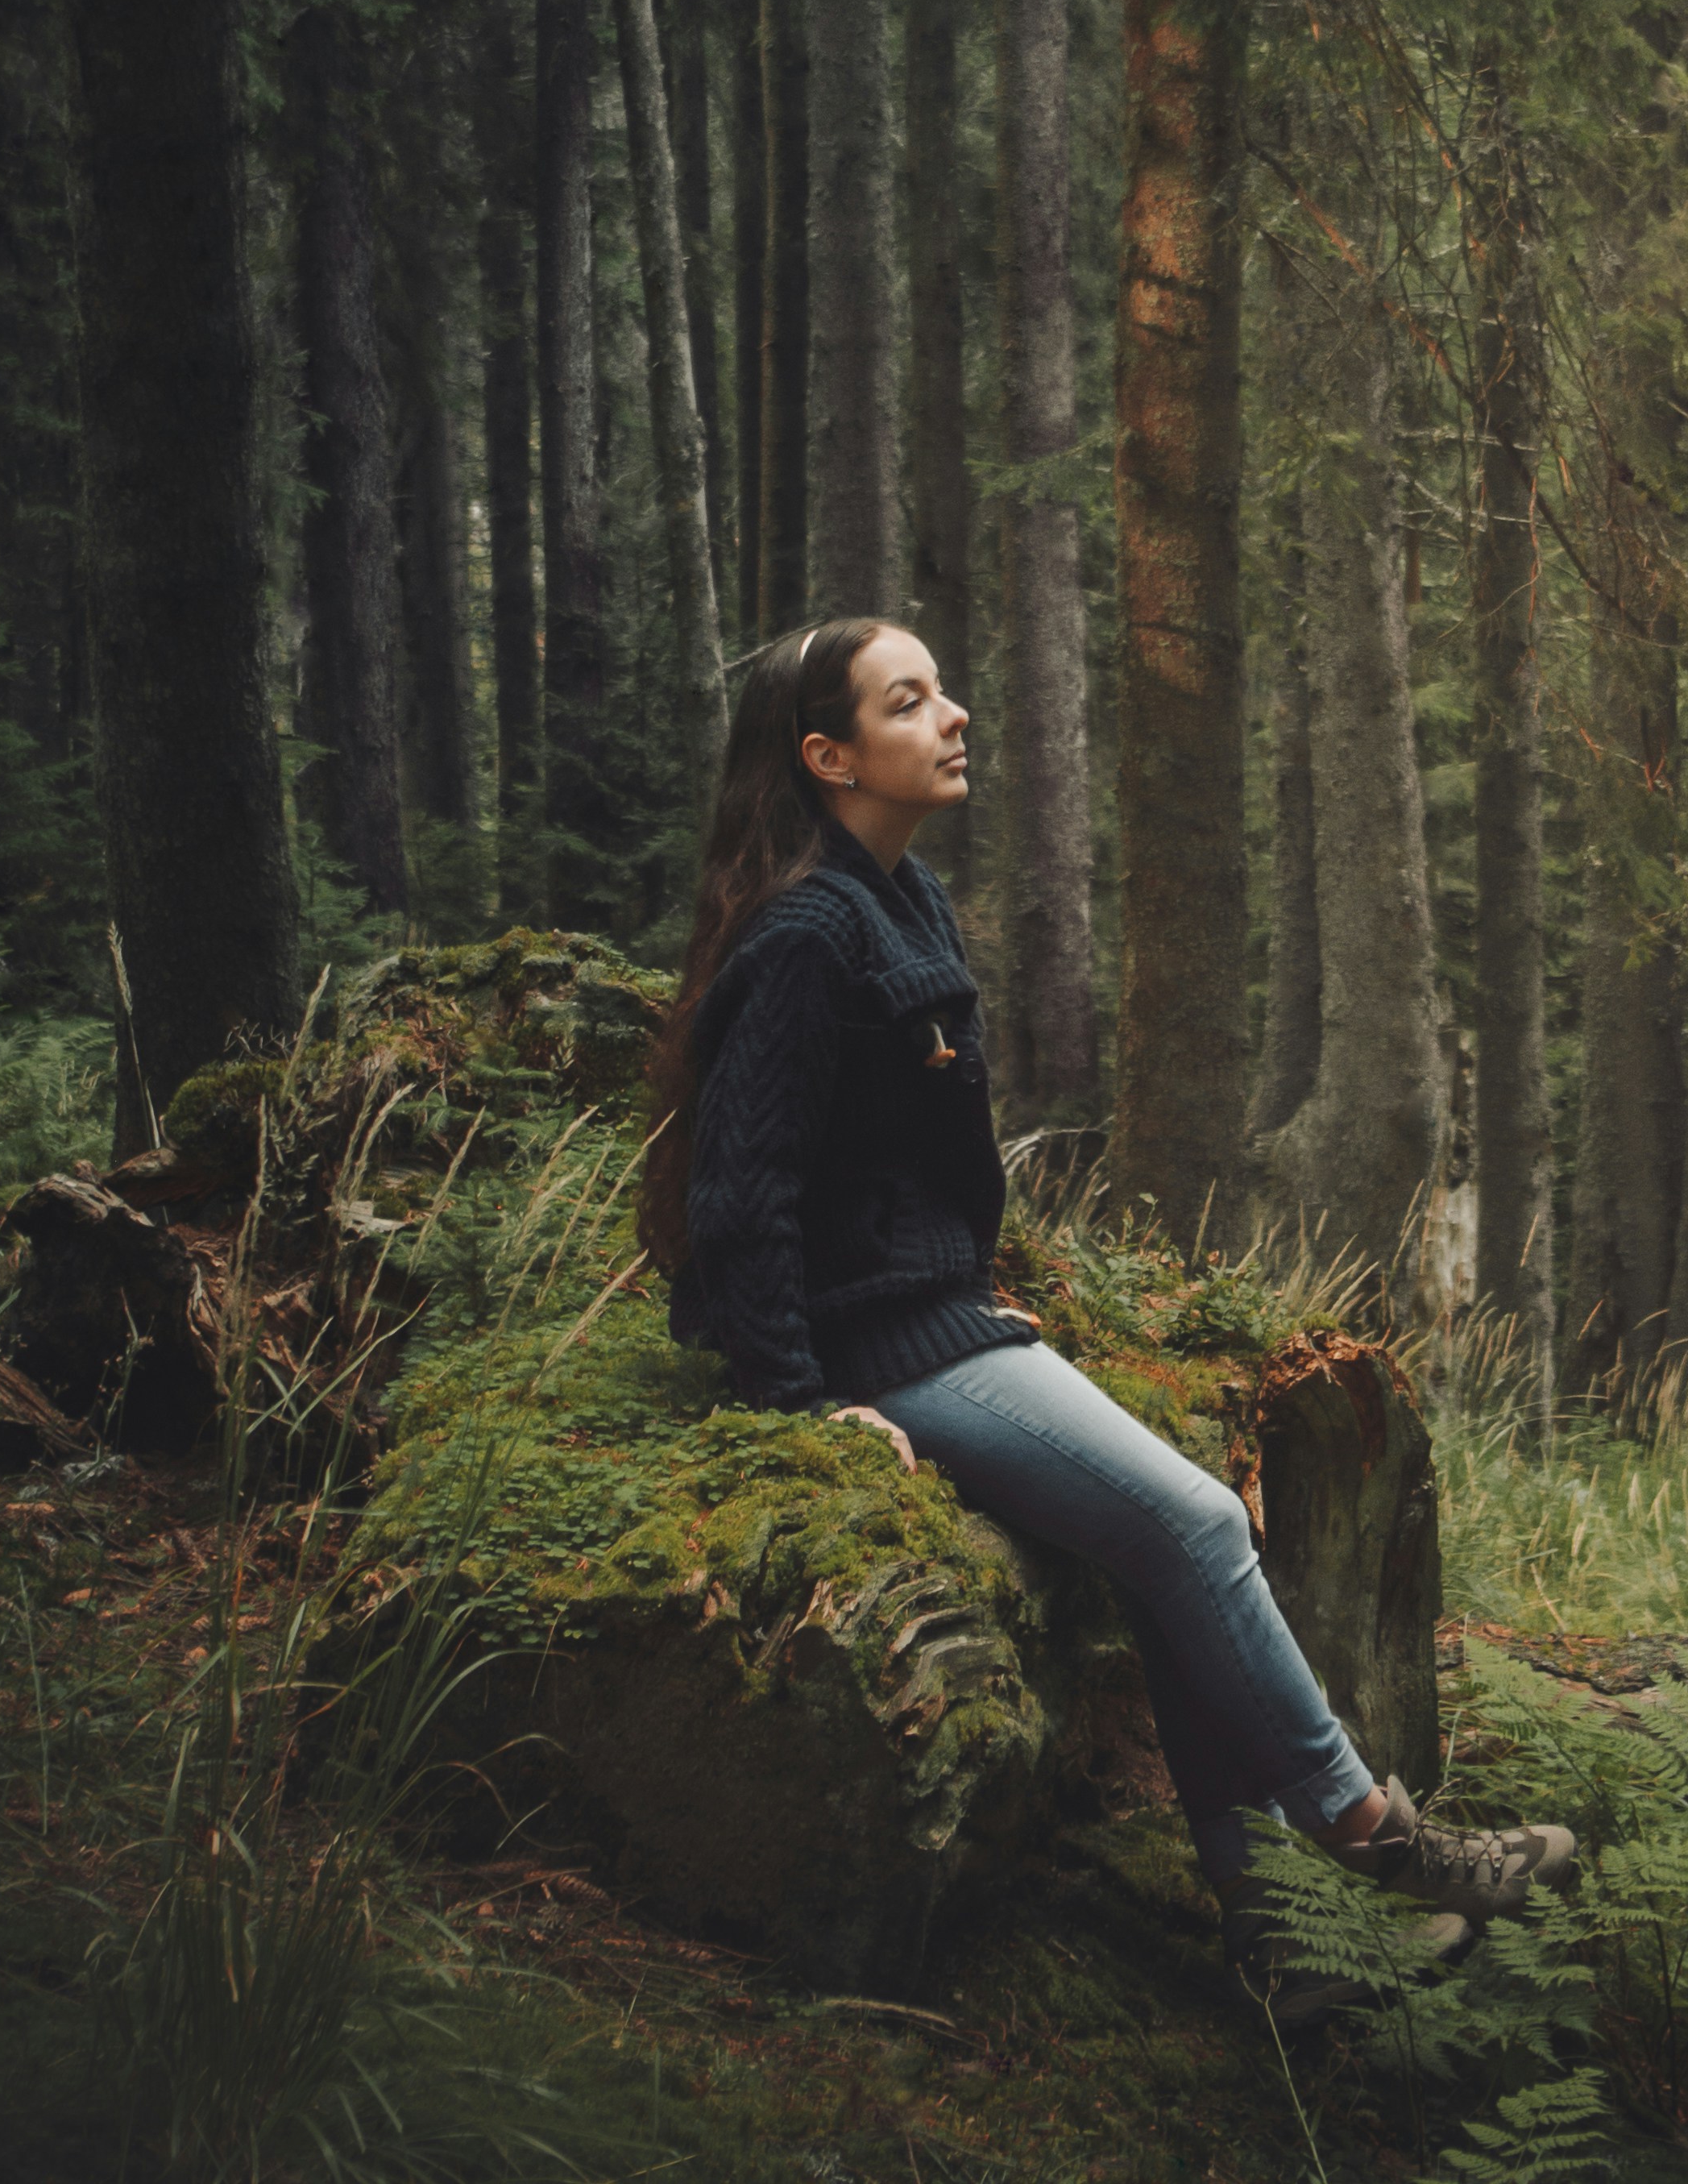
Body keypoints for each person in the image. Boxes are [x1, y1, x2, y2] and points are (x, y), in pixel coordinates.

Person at [642, 617, 1574, 2018]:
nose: (954, 715)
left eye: (945, 687)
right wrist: (795, 1403)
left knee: (1190, 1537)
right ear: (827, 755)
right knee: (1198, 1522)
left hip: (943, 1316)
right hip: (878, 1349)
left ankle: (1277, 1947)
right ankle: (1373, 1837)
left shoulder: (910, 900)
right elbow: (739, 1192)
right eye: (911, 702)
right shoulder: (806, 935)